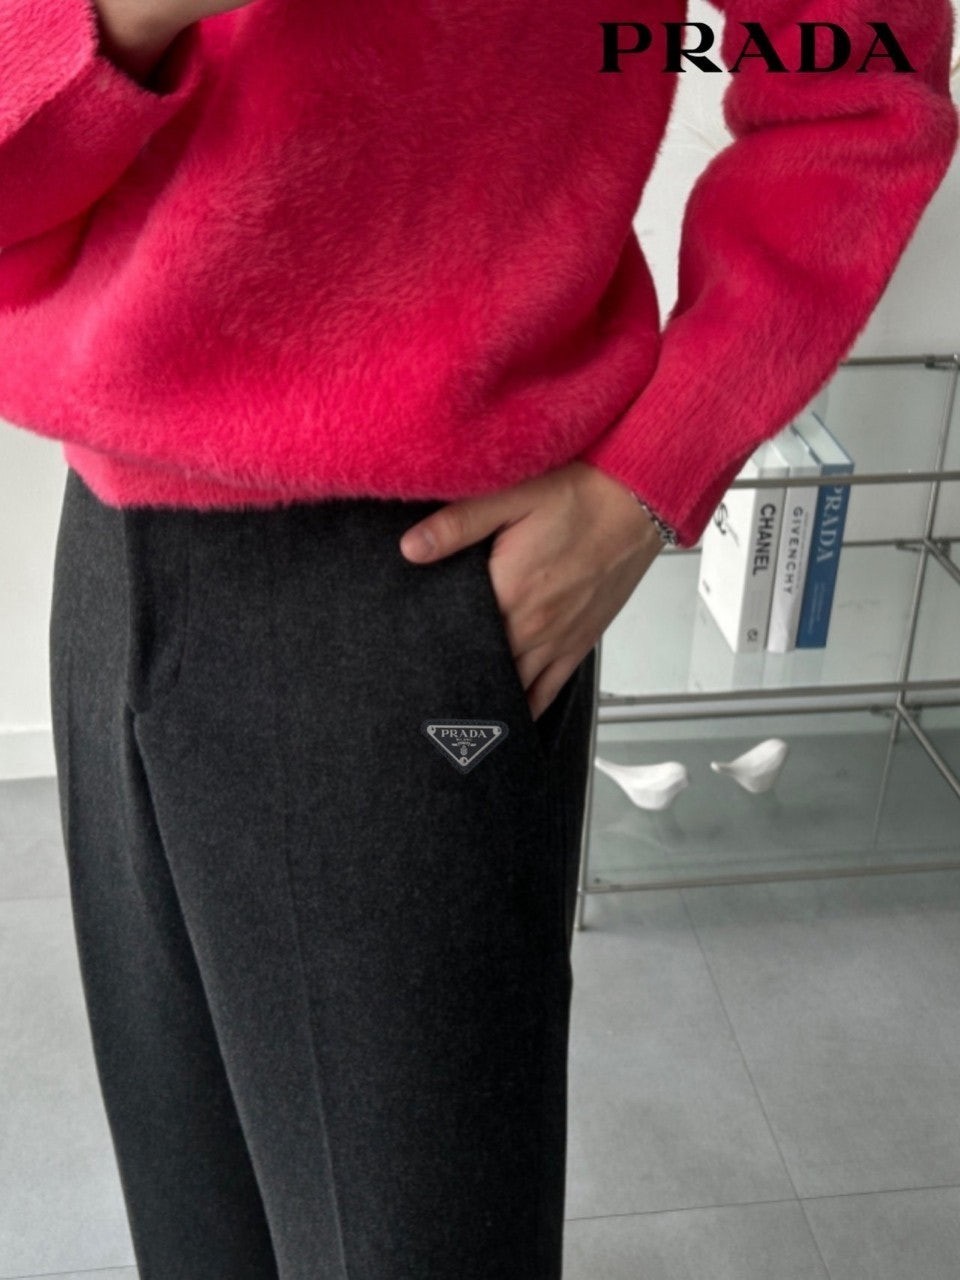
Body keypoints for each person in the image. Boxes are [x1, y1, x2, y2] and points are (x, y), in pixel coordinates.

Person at [1, 0, 956, 1275]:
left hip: (412, 584)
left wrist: (651, 470)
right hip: (109, 550)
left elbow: (858, 85)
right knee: (197, 1229)